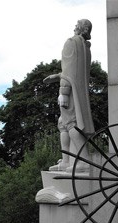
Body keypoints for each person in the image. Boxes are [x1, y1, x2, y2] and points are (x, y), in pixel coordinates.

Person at [43, 19, 94, 172]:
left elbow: (69, 70)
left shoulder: (71, 42)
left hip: (70, 91)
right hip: (79, 91)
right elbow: (74, 71)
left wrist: (63, 91)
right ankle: (66, 160)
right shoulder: (85, 47)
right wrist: (57, 76)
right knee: (62, 123)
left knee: (70, 123)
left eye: (76, 25)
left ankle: (83, 161)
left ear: (80, 28)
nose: (74, 27)